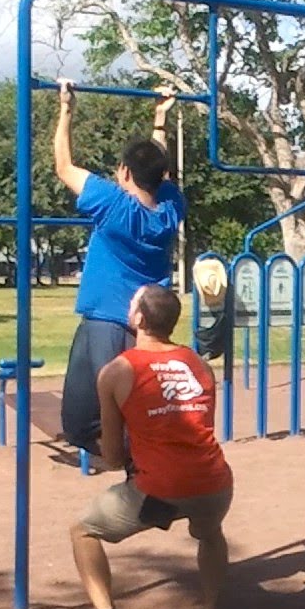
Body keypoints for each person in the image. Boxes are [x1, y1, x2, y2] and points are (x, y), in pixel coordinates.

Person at [69, 284, 234, 609]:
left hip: (158, 489)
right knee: (210, 534)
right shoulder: (198, 363)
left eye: (131, 304)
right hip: (213, 482)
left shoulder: (117, 370)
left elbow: (112, 458)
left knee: (83, 530)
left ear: (139, 318)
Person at [53, 79, 185, 459]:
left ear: (124, 173)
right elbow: (158, 169)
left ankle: (143, 476)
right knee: (92, 418)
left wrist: (66, 109)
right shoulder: (171, 208)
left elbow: (64, 166)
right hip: (125, 320)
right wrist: (160, 118)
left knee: (107, 417)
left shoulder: (113, 204)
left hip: (110, 321)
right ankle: (139, 466)